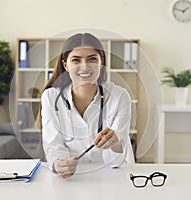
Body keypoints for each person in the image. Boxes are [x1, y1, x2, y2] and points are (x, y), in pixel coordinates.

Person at [38, 33, 133, 179]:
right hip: (72, 178)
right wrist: (59, 163)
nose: (85, 66)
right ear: (65, 65)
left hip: (113, 177)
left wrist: (116, 143)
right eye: (76, 60)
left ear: (101, 63)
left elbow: (116, 161)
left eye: (92, 59)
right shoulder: (51, 97)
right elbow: (53, 146)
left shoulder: (120, 96)